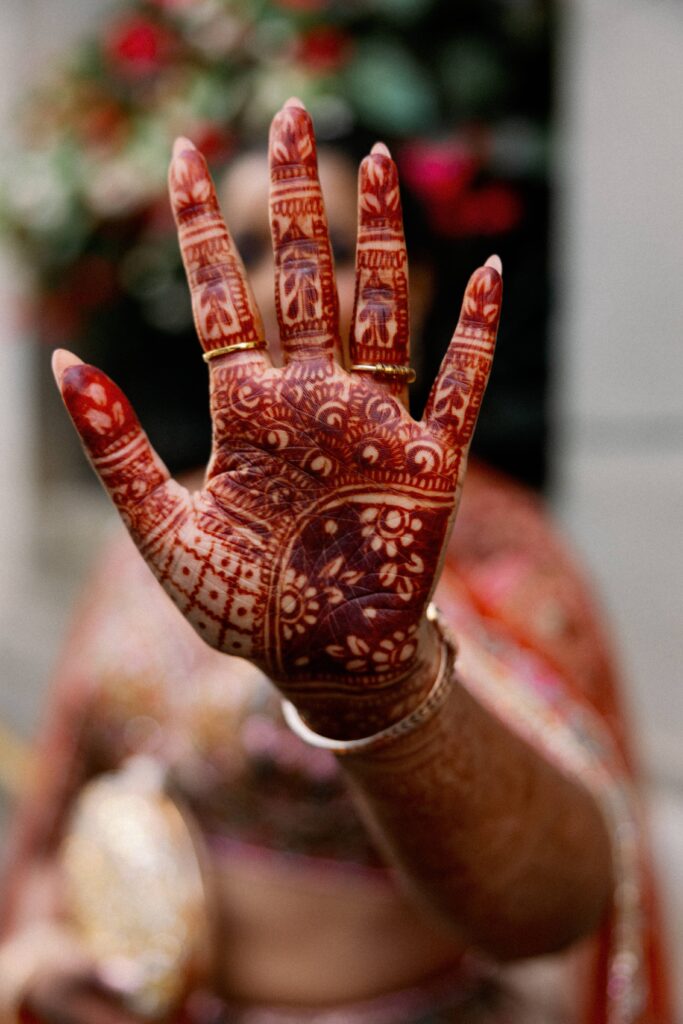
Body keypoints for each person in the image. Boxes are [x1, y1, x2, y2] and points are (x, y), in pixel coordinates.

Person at [0, 98, 672, 1024]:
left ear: (420, 286)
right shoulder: (165, 524)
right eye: (253, 249)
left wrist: (379, 696)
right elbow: (54, 822)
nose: (289, 288)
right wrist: (38, 960)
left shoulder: (493, 553)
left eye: (344, 253)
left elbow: (557, 906)